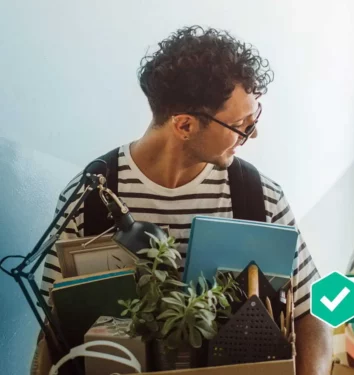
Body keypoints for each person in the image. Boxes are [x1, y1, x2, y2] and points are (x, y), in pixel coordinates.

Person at [41, 26, 333, 374]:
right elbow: (53, 330)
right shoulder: (88, 200)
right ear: (184, 126)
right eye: (241, 124)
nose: (252, 133)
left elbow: (312, 311)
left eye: (254, 119)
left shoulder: (261, 197)